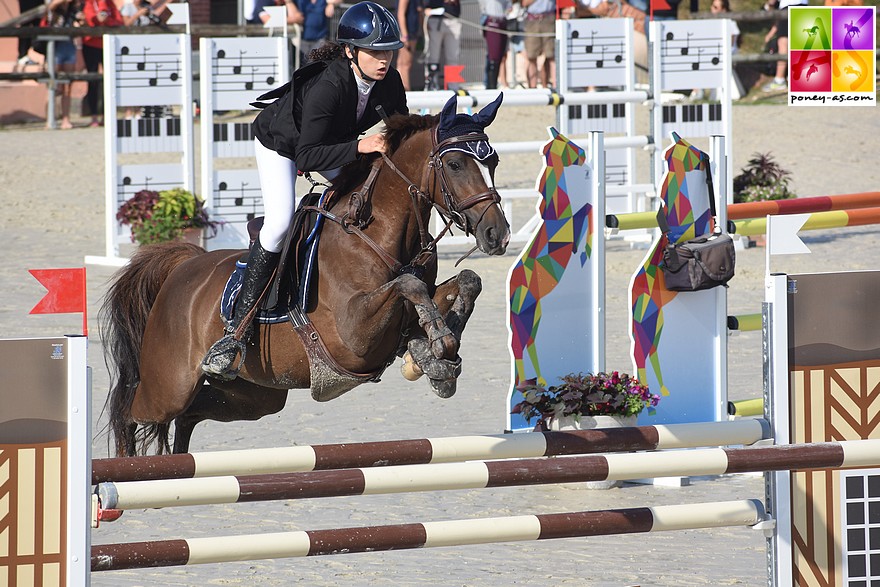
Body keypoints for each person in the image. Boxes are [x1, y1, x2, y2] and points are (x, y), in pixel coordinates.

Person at [201, 1, 408, 380]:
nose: (384, 60)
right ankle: (236, 330)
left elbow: (400, 130)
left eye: (389, 52)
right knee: (280, 224)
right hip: (284, 144)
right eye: (375, 51)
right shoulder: (329, 85)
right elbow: (308, 154)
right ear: (350, 51)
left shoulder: (389, 82)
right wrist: (360, 147)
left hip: (329, 143)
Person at [82, 0, 123, 127]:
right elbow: (91, 19)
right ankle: (93, 116)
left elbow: (118, 22)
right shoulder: (89, 3)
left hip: (108, 45)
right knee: (92, 80)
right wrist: (100, 19)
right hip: (91, 45)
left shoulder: (110, 4)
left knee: (110, 81)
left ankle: (107, 115)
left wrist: (106, 20)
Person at [45, 0, 82, 129]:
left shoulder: (73, 10)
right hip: (54, 48)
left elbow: (82, 20)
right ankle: (50, 118)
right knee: (53, 85)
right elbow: (49, 8)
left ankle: (66, 119)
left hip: (69, 46)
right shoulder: (55, 9)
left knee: (67, 86)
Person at [282, 0, 341, 66]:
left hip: (320, 40)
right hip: (302, 41)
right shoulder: (299, 1)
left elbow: (339, 1)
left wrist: (331, 4)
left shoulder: (322, 1)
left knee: (318, 65)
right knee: (302, 65)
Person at [763, 0, 806, 91]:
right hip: (804, 6)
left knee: (783, 43)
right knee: (798, 43)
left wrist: (769, 4)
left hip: (788, 7)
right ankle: (798, 79)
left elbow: (771, 2)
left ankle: (779, 80)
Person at [423, 0, 461, 90]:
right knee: (433, 56)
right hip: (435, 19)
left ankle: (453, 86)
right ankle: (431, 84)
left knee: (453, 57)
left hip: (453, 18)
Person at [521, 0, 555, 89]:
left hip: (549, 19)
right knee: (531, 57)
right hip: (532, 20)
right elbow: (524, 3)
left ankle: (554, 87)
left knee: (551, 56)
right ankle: (533, 89)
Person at [479, 0, 511, 89]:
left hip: (503, 21)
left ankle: (493, 84)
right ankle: (490, 86)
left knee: (500, 55)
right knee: (493, 55)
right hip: (492, 21)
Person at [396, 0, 422, 89]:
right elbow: (400, 14)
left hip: (411, 33)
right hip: (408, 34)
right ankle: (406, 89)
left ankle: (400, 88)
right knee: (405, 64)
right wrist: (405, 35)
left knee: (402, 63)